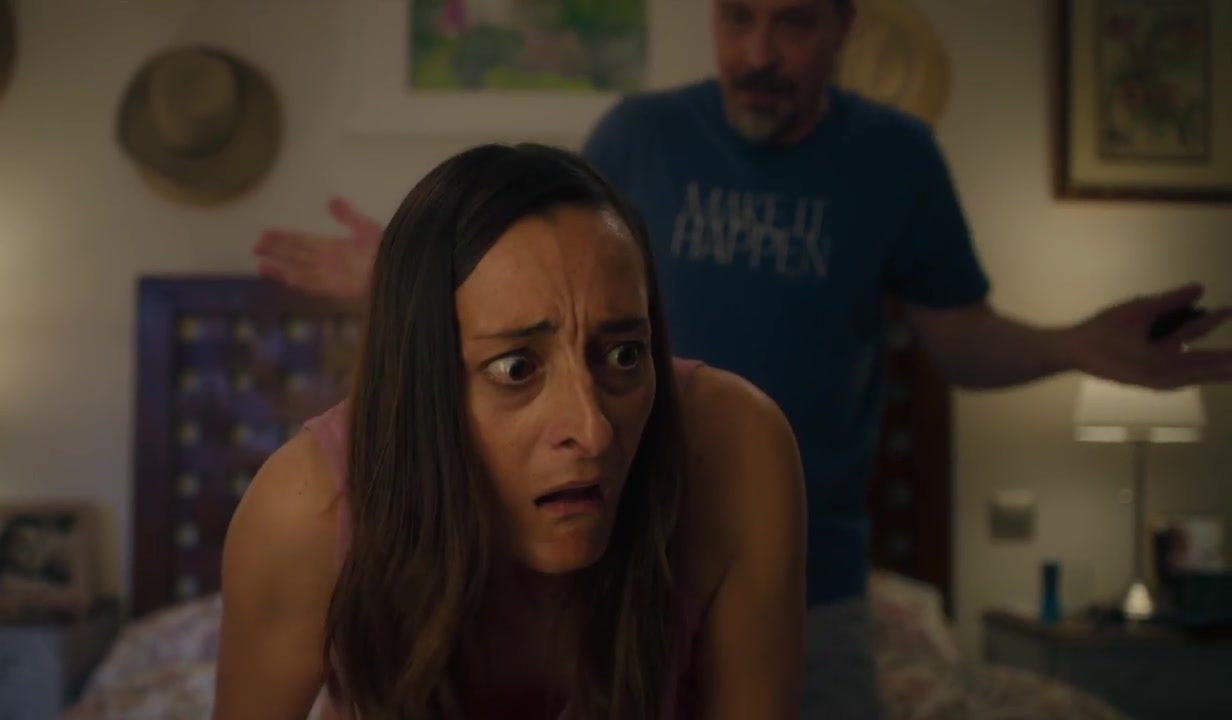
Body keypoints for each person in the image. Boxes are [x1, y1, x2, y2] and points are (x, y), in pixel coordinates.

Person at [254, 1, 1232, 716]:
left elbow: (960, 338)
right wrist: (419, 283)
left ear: (845, 26)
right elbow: (547, 272)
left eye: (793, 22)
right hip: (620, 554)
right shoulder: (641, 136)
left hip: (820, 571)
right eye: (737, 19)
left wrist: (1078, 346)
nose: (759, 52)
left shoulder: (896, 162)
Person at [217, 143, 807, 719]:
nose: (593, 431)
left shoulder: (734, 450)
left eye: (625, 354)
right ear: (424, 386)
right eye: (516, 369)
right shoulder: (307, 514)